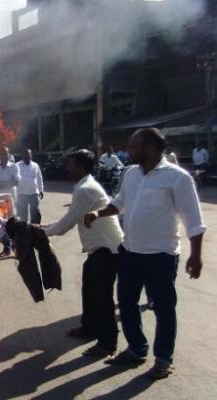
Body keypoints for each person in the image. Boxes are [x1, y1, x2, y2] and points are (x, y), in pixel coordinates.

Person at [84, 128, 206, 379]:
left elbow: (194, 221)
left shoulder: (178, 178)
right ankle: (136, 349)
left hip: (161, 256)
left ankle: (163, 359)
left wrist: (196, 256)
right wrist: (98, 213)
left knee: (163, 308)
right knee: (127, 303)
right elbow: (120, 202)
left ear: (150, 148)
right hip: (130, 251)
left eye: (133, 147)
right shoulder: (131, 174)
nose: (129, 151)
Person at [43, 150, 124, 357]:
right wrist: (42, 227)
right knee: (89, 291)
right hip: (98, 250)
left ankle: (107, 343)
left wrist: (40, 232)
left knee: (102, 298)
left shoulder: (85, 190)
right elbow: (69, 218)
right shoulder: (83, 186)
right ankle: (89, 328)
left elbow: (64, 225)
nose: (66, 168)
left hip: (107, 250)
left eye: (70, 164)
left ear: (80, 167)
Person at [0, 147, 20, 257]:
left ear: (8, 154)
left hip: (11, 199)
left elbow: (16, 181)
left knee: (12, 223)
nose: (3, 156)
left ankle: (16, 248)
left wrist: (1, 184)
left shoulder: (14, 167)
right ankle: (6, 248)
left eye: (5, 154)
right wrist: (6, 183)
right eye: (1, 154)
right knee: (2, 224)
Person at [16, 149, 44, 223]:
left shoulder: (35, 165)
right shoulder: (17, 165)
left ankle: (34, 229)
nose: (27, 157)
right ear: (22, 156)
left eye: (29, 155)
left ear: (31, 156)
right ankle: (23, 229)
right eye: (25, 156)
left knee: (35, 213)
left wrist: (41, 190)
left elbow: (39, 178)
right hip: (22, 194)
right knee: (23, 214)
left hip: (34, 193)